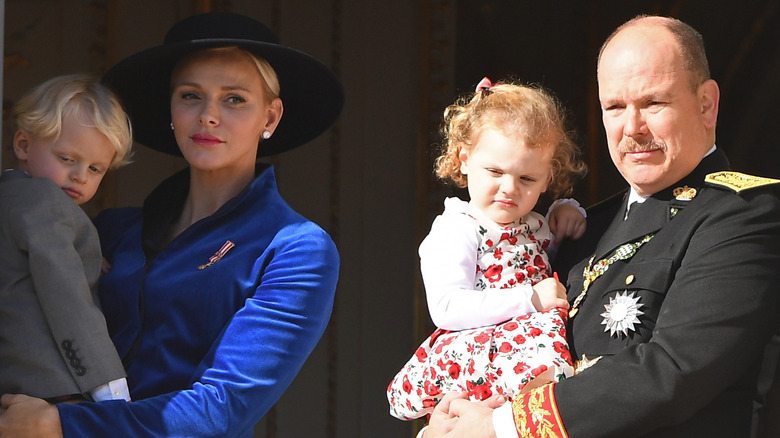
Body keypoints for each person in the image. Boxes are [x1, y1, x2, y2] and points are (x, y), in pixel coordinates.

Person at [422, 14, 780, 438]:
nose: (632, 128)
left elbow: (674, 370)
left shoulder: (744, 213)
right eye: (615, 107)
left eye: (653, 103)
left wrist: (501, 425)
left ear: (706, 104)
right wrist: (459, 411)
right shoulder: (583, 228)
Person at [0, 11, 343, 438]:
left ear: (270, 118)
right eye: (190, 95)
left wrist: (62, 423)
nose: (208, 116)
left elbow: (224, 408)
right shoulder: (113, 230)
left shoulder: (296, 249)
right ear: (171, 109)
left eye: (234, 99)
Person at [387, 78, 586, 420]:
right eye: (494, 171)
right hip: (482, 358)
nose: (509, 189)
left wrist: (565, 213)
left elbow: (544, 266)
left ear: (548, 178)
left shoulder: (534, 224)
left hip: (529, 355)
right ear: (464, 158)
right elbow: (447, 306)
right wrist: (530, 299)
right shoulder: (458, 227)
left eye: (527, 179)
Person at [0, 74, 133, 404]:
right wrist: (109, 386)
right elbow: (67, 296)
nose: (80, 176)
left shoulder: (12, 200)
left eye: (96, 169)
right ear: (23, 145)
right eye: (68, 159)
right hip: (52, 386)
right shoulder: (43, 199)